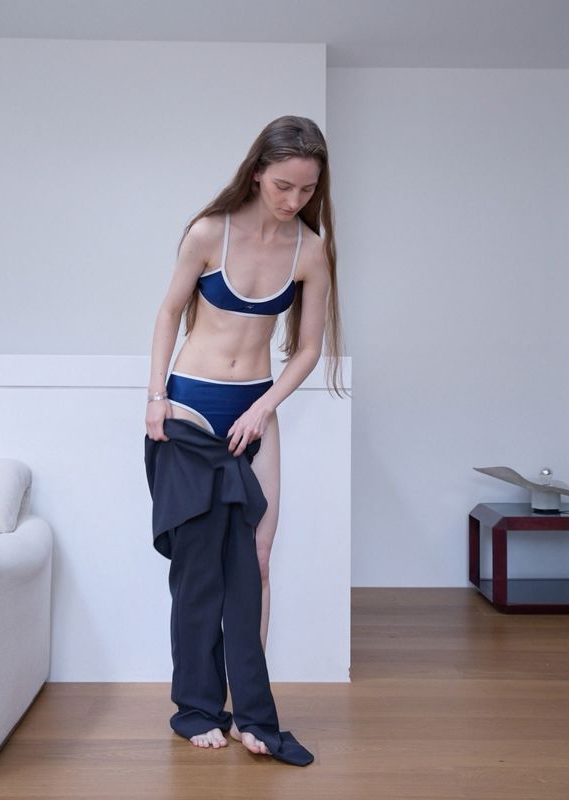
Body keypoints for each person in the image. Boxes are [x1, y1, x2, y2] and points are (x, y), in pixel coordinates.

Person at [145, 115, 345, 758]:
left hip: (255, 409)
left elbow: (308, 348)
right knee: (199, 566)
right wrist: (155, 398)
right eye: (284, 185)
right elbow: (168, 312)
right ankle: (196, 707)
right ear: (258, 172)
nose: (293, 200)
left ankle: (250, 712)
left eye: (307, 190)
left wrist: (264, 408)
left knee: (256, 561)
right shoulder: (210, 232)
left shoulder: (310, 250)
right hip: (190, 408)